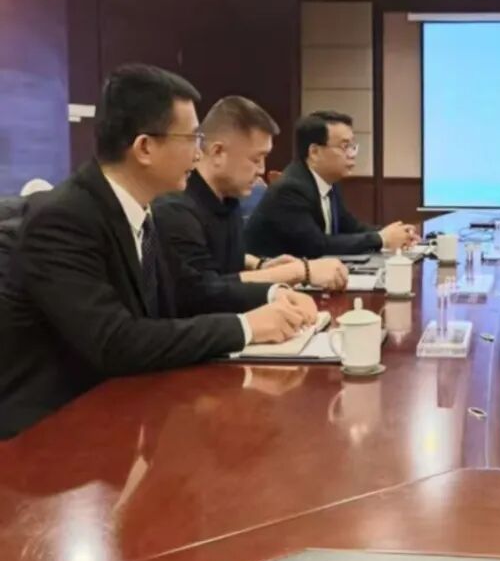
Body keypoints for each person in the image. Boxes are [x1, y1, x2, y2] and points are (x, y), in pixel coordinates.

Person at [0, 65, 317, 439]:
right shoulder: (64, 219)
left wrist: (272, 296)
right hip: (51, 432)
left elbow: (188, 292)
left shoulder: (141, 210)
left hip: (124, 406)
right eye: (192, 138)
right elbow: (115, 341)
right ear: (145, 148)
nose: (198, 153)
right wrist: (246, 327)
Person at [153, 96, 348, 291]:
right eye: (256, 159)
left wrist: (259, 265)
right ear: (218, 152)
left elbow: (220, 261)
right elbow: (205, 289)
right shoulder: (176, 208)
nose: (262, 170)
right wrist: (300, 271)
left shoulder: (227, 197)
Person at [245, 111, 419, 258]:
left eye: (353, 146)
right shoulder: (290, 189)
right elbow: (316, 246)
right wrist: (381, 239)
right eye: (345, 146)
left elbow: (351, 227)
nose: (352, 154)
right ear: (314, 152)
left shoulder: (328, 182)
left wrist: (395, 233)